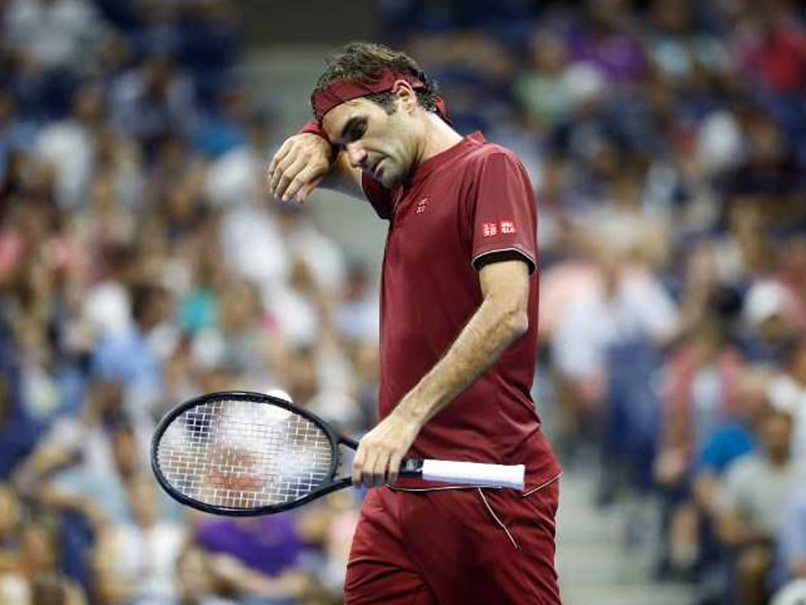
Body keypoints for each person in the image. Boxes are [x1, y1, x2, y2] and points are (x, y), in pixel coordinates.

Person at [266, 42, 562, 605]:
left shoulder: (489, 168)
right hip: (399, 486)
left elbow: (507, 312)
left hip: (486, 485)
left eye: (357, 131)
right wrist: (315, 132)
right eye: (342, 142)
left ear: (404, 97)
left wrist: (403, 420)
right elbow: (337, 145)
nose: (351, 156)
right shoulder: (401, 188)